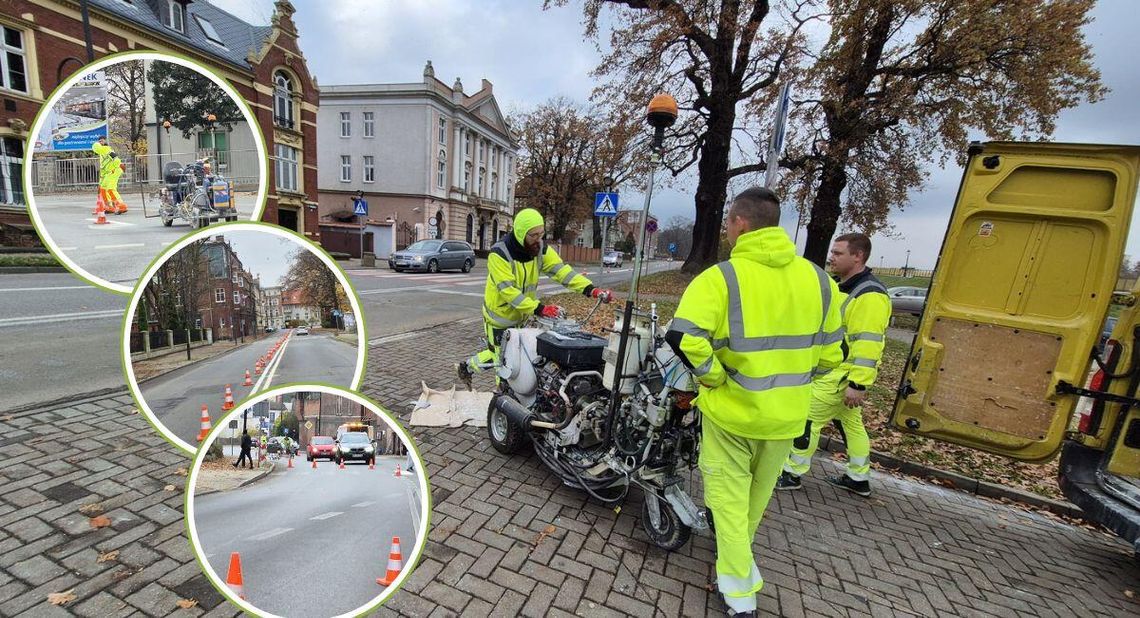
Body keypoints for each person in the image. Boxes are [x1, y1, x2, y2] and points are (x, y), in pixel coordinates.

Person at [665, 187, 843, 617]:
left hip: (733, 414)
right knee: (752, 503)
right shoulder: (820, 281)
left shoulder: (721, 278)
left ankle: (740, 593)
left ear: (740, 223)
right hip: (785, 419)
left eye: (727, 222)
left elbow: (682, 336)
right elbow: (833, 355)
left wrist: (713, 378)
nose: (726, 230)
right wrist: (791, 385)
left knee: (727, 502)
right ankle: (733, 556)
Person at [776, 232, 891, 496]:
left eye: (838, 253)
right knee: (852, 424)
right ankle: (858, 478)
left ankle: (792, 472)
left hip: (840, 375)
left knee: (807, 420)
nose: (832, 257)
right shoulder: (846, 287)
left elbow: (869, 343)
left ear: (858, 256)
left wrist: (858, 383)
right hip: (839, 373)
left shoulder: (870, 295)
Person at [456, 208, 614, 388]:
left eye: (541, 234)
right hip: (499, 317)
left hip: (523, 314)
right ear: (521, 233)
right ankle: (502, 399)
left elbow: (562, 272)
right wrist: (540, 309)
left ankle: (467, 367)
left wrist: (590, 289)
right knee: (504, 362)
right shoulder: (499, 254)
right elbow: (509, 292)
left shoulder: (540, 249)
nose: (538, 239)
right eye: (533, 235)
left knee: (510, 353)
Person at [91, 136, 127, 214]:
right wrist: (100, 183)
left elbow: (96, 148)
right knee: (103, 188)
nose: (100, 142)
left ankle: (121, 206)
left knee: (111, 188)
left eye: (102, 141)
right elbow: (103, 168)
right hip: (108, 172)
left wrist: (96, 143)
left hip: (114, 170)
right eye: (99, 141)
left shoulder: (106, 149)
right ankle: (109, 207)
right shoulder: (102, 155)